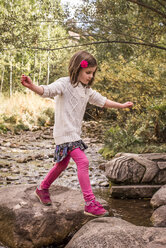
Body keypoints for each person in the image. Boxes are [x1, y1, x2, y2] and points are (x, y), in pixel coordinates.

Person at [21, 50, 133, 217]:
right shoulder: (64, 84)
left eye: (92, 73)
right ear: (77, 69)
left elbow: (103, 101)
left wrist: (122, 105)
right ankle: (89, 202)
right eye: (88, 72)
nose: (90, 76)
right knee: (83, 161)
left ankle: (42, 188)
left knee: (62, 164)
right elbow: (48, 90)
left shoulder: (86, 90)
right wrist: (32, 86)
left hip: (73, 134)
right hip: (64, 133)